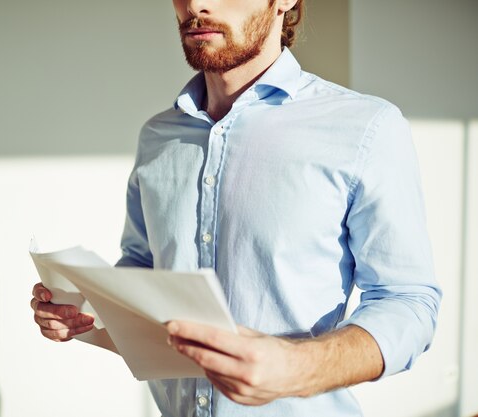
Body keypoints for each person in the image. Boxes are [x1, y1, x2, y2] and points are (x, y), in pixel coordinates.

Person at [31, 0, 442, 415]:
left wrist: (297, 367)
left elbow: (407, 301)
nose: (195, 4)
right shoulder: (158, 136)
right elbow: (141, 269)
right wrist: (88, 311)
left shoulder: (366, 128)